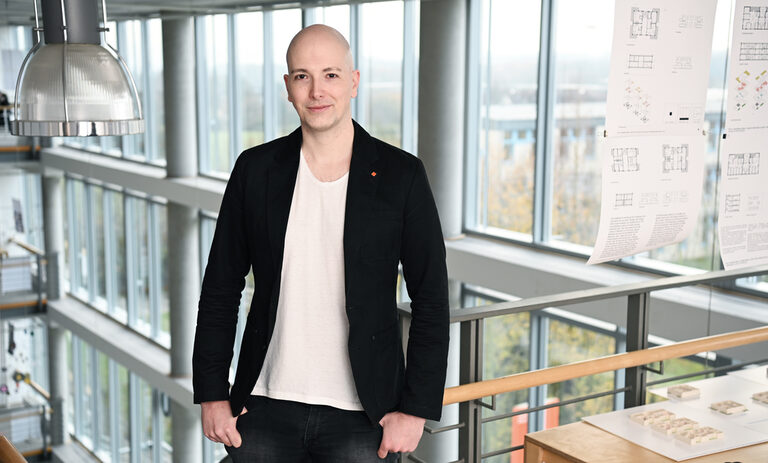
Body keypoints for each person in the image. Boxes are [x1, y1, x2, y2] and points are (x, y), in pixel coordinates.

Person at [193, 24, 449, 462]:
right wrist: (213, 394)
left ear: (354, 82)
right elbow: (220, 288)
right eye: (302, 76)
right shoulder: (255, 171)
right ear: (288, 88)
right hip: (264, 402)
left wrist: (415, 409)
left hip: (365, 415)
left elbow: (431, 298)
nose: (316, 90)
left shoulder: (401, 175)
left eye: (330, 74)